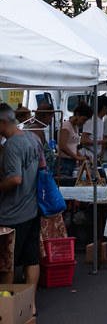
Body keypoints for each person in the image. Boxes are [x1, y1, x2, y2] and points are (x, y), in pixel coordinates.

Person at [0, 104, 41, 290]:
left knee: (6, 262)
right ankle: (30, 305)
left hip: (12, 214)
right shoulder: (33, 138)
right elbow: (42, 167)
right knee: (31, 259)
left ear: (2, 122)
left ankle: (5, 306)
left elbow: (15, 179)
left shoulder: (11, 146)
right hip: (32, 208)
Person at [57, 103, 92, 179]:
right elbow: (62, 145)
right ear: (77, 115)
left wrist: (80, 156)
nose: (83, 122)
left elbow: (73, 147)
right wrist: (76, 157)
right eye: (83, 119)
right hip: (64, 162)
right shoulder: (66, 126)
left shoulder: (75, 127)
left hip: (71, 161)